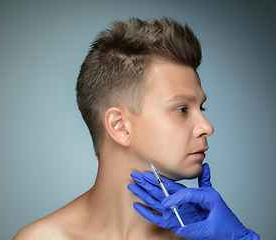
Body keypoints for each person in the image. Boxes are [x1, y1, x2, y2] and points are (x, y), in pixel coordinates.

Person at [13, 16, 259, 240]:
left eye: (201, 108)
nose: (207, 127)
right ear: (120, 126)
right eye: (182, 109)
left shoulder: (207, 235)